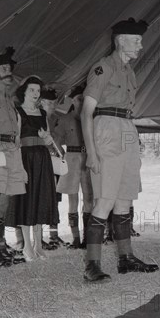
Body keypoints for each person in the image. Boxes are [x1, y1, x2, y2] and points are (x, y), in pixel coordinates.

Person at [81, 17, 158, 282]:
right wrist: (91, 152)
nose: (140, 45)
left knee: (125, 198)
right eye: (136, 40)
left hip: (127, 128)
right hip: (106, 129)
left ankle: (126, 258)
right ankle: (92, 265)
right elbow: (86, 112)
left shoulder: (129, 71)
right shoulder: (103, 68)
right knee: (104, 200)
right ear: (121, 41)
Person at [0, 47, 28, 267]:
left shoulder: (8, 97)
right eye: (3, 69)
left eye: (9, 69)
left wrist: (7, 69)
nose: (8, 73)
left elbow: (18, 82)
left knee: (5, 201)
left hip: (12, 149)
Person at [7, 76, 59, 260]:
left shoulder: (43, 114)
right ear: (24, 91)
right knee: (26, 201)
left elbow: (48, 138)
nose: (36, 94)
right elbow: (16, 140)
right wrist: (18, 166)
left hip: (42, 158)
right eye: (32, 90)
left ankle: (39, 245)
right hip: (25, 158)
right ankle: (27, 247)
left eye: (38, 91)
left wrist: (47, 138)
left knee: (40, 199)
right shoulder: (18, 112)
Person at [53, 84, 93, 248]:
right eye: (77, 99)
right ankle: (76, 238)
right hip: (71, 158)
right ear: (72, 100)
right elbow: (55, 139)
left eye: (83, 99)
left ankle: (88, 238)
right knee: (73, 199)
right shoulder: (64, 119)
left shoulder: (91, 118)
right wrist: (62, 155)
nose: (80, 102)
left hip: (87, 159)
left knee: (89, 198)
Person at [40, 86, 67, 249]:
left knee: (55, 199)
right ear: (40, 102)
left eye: (54, 102)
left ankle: (54, 235)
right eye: (49, 102)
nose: (52, 105)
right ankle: (38, 237)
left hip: (55, 162)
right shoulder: (36, 118)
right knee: (41, 199)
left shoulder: (58, 119)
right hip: (41, 161)